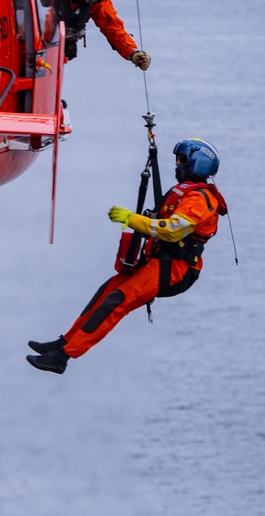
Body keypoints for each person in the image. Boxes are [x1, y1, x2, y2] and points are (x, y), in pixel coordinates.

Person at [26, 138, 227, 374]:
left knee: (116, 302)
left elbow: (171, 230)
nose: (177, 164)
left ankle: (63, 357)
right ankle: (65, 341)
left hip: (174, 268)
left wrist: (131, 219)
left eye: (181, 160)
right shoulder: (187, 193)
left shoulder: (201, 199)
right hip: (157, 260)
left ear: (198, 163)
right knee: (106, 292)